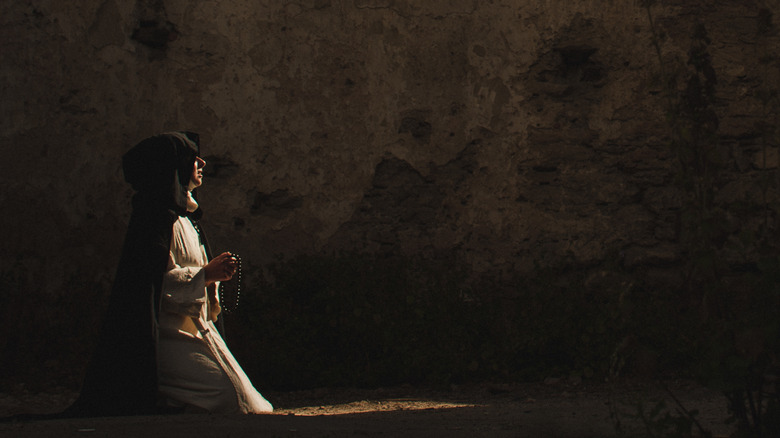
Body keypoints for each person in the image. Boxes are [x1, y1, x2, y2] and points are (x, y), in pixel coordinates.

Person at [68, 132, 272, 416]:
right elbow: (153, 282)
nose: (201, 162)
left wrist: (212, 276)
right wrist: (204, 274)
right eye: (192, 158)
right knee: (228, 398)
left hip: (195, 328)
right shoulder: (154, 220)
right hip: (165, 334)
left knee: (252, 402)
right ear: (173, 167)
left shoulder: (187, 218)